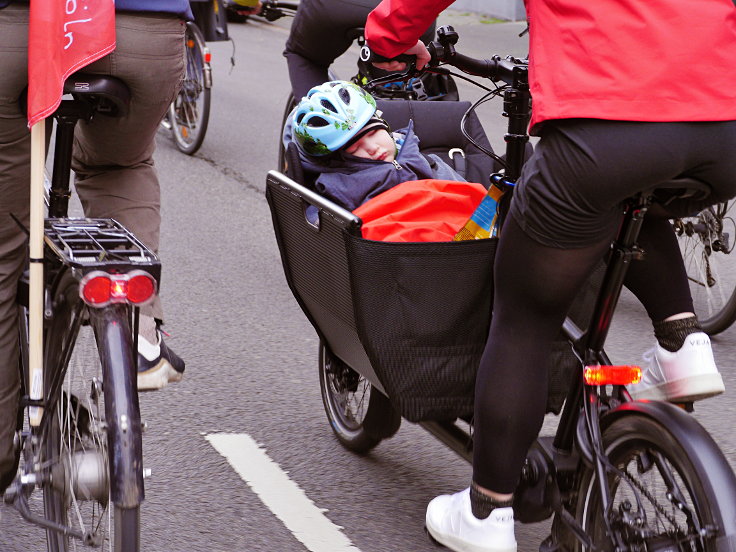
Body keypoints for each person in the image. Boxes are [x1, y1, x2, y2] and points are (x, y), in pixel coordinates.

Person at [363, 1, 736, 551]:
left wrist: (388, 37)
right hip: (722, 128)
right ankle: (683, 343)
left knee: (523, 318)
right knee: (639, 192)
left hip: (605, 122)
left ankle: (486, 514)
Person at [0, 1, 191, 496]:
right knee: (117, 166)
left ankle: (2, 451)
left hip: (26, 26)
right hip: (147, 31)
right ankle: (141, 332)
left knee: (3, 249)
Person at [289, 80, 468, 212]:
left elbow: (472, 200)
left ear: (386, 126)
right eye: (354, 148)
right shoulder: (338, 191)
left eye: (373, 133)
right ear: (338, 158)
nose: (372, 148)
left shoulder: (424, 160)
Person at [282, 0, 436, 101]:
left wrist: (256, 4)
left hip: (333, 6)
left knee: (306, 58)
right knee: (396, 84)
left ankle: (319, 125)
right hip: (410, 9)